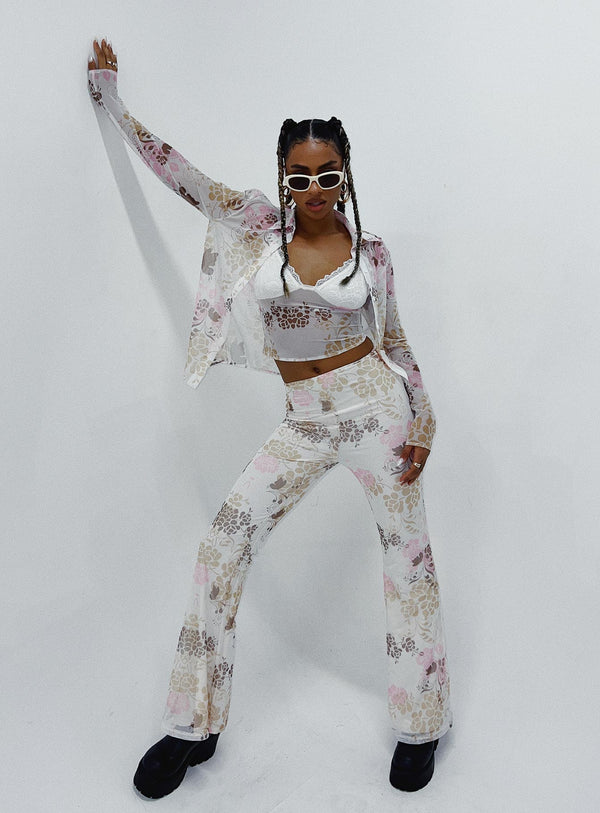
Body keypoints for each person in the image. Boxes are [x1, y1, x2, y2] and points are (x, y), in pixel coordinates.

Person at [88, 37, 452, 800]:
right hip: (304, 422)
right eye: (300, 175)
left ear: (345, 173)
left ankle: (422, 724)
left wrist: (423, 420)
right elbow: (183, 177)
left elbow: (395, 343)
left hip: (376, 412)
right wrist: (114, 103)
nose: (315, 188)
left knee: (407, 560)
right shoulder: (257, 227)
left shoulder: (373, 252)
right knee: (221, 544)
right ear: (283, 176)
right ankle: (192, 724)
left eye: (328, 173)